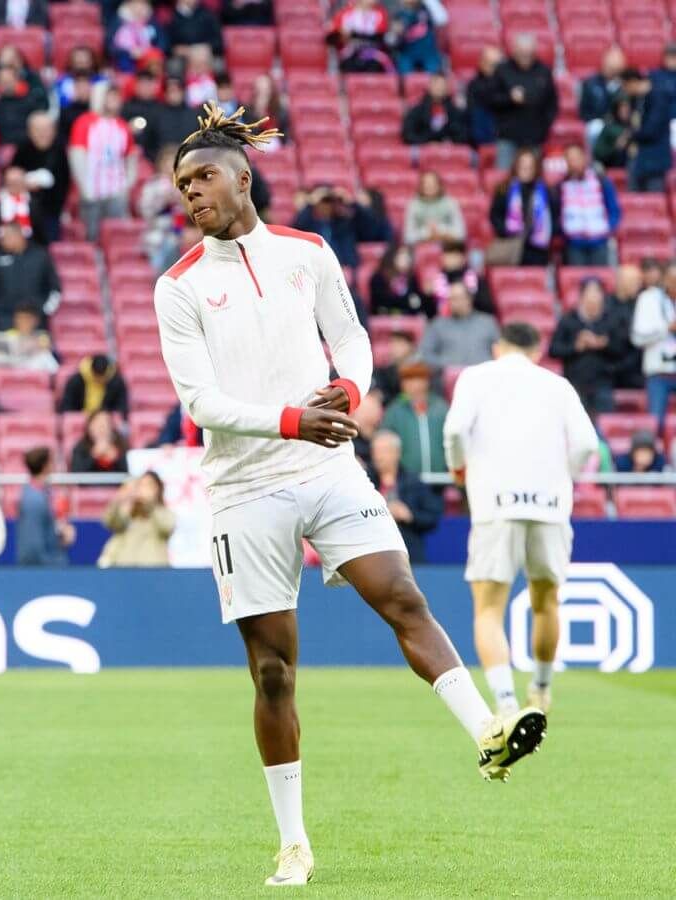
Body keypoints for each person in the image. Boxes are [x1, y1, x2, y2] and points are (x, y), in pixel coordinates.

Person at [153, 104, 541, 887]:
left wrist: (350, 389)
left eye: (203, 178)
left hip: (325, 464)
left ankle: (488, 734)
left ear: (243, 176)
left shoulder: (309, 252)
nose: (191, 194)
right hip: (243, 483)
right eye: (182, 184)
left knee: (400, 597)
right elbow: (200, 403)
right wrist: (296, 417)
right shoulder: (179, 287)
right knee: (273, 672)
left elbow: (353, 334)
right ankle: (293, 841)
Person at [445, 322, 596, 716]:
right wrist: (566, 477)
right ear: (538, 350)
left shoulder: (475, 377)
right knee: (547, 603)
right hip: (549, 507)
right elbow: (586, 443)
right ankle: (541, 691)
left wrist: (458, 467)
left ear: (498, 348)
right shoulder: (557, 385)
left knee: (489, 609)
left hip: (496, 505)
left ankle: (507, 704)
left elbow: (456, 430)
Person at [549, 278, 630, 414]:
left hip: (603, 383)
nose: (593, 299)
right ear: (581, 297)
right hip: (574, 384)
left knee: (604, 425)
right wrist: (576, 347)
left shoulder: (611, 319)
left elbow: (623, 351)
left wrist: (603, 344)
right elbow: (553, 350)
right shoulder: (568, 319)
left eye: (597, 294)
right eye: (589, 295)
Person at [68, 89, 138, 240]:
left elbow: (131, 158)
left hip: (116, 192)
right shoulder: (84, 122)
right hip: (91, 192)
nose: (114, 101)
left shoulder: (122, 126)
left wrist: (126, 185)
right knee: (91, 236)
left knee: (116, 236)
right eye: (110, 96)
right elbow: (77, 155)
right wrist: (85, 188)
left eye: (117, 97)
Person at [366, 430, 441, 562]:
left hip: (409, 555)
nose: (378, 456)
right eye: (375, 451)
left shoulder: (413, 482)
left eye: (384, 451)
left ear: (397, 453)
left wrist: (409, 515)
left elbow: (432, 518)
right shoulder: (365, 481)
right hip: (373, 554)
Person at [489, 34, 558, 170]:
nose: (525, 57)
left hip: (535, 137)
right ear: (514, 51)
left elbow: (552, 103)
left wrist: (544, 126)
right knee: (503, 177)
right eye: (522, 53)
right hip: (507, 136)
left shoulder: (544, 71)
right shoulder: (502, 70)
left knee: (533, 177)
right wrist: (509, 98)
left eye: (528, 54)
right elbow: (491, 99)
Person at [0, 223, 61, 329]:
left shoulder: (40, 256)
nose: (2, 241)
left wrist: (45, 310)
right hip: (3, 320)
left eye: (6, 237)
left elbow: (55, 287)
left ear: (19, 236)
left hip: (35, 320)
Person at [291, 184, 391, 269]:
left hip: (344, 269)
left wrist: (352, 203)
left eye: (330, 201)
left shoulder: (345, 223)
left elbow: (372, 228)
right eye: (323, 201)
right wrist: (310, 203)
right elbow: (296, 228)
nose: (326, 205)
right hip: (318, 269)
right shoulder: (311, 223)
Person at [489, 149, 558, 267]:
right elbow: (495, 215)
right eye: (523, 165)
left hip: (538, 249)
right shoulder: (504, 189)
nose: (526, 169)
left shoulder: (546, 191)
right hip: (511, 244)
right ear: (516, 166)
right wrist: (507, 231)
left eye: (530, 166)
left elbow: (554, 216)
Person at [10, 112, 72, 241]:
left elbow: (65, 182)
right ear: (30, 131)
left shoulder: (60, 151)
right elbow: (11, 178)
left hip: (51, 213)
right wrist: (25, 184)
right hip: (25, 211)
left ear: (54, 131)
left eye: (47, 129)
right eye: (38, 129)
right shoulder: (23, 149)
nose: (43, 133)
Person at [631, 263, 676, 438]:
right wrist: (667, 329)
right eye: (672, 280)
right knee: (655, 424)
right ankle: (654, 463)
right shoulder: (648, 299)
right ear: (663, 279)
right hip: (658, 372)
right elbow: (637, 337)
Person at [382, 360, 449, 474]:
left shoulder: (441, 409)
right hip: (407, 480)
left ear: (427, 381)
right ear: (402, 384)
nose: (414, 384)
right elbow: (384, 441)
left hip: (441, 478)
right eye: (408, 379)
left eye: (419, 378)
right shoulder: (395, 411)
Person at [97, 472, 176, 567]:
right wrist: (121, 498)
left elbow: (167, 527)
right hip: (123, 569)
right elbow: (110, 522)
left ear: (157, 489)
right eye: (140, 485)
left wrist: (150, 502)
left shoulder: (163, 512)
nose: (143, 489)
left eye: (148, 485)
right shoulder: (127, 511)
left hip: (154, 570)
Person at [421, 282, 501, 369]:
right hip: (451, 378)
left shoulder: (487, 322)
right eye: (451, 299)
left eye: (458, 298)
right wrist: (446, 365)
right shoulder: (438, 325)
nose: (454, 303)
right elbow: (425, 354)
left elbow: (501, 349)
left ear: (469, 299)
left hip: (485, 375)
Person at [15, 446, 72, 565]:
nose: (55, 465)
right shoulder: (34, 500)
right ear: (45, 465)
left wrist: (60, 535)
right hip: (43, 569)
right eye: (52, 461)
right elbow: (32, 546)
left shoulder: (44, 493)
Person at [626, 69, 674, 193]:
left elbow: (651, 130)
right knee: (634, 200)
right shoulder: (637, 100)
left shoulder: (658, 97)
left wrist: (630, 136)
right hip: (640, 159)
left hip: (655, 159)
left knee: (654, 196)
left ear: (632, 82)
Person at [423, 239, 495, 317]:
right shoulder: (436, 281)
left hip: (471, 321)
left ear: (463, 258)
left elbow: (488, 308)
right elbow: (429, 314)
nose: (449, 259)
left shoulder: (475, 279)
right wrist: (427, 297)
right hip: (444, 324)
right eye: (446, 255)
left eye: (453, 256)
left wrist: (467, 300)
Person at [401, 73, 470, 146]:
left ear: (447, 89)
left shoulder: (454, 111)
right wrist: (426, 143)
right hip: (424, 151)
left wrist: (449, 141)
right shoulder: (417, 110)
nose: (439, 88)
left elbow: (463, 135)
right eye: (436, 85)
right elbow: (408, 134)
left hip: (448, 151)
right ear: (429, 86)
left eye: (442, 85)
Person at [402, 171, 465, 246]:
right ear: (421, 186)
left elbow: (461, 234)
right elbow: (408, 237)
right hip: (420, 249)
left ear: (439, 185)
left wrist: (440, 231)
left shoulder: (451, 203)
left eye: (433, 183)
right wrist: (427, 233)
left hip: (447, 247)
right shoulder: (413, 205)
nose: (429, 186)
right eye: (426, 183)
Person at [327, 0, 392, 73]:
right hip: (350, 53)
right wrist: (342, 35)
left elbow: (381, 36)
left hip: (373, 53)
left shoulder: (381, 13)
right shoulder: (345, 13)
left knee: (375, 65)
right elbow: (332, 37)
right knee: (349, 65)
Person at [368, 244, 430, 317]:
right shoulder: (379, 277)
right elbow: (379, 302)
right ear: (392, 256)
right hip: (385, 318)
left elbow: (419, 303)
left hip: (407, 319)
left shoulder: (412, 278)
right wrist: (407, 302)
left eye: (408, 256)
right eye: (402, 255)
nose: (407, 259)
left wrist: (428, 295)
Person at [59, 354, 129, 414]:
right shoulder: (76, 380)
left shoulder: (116, 382)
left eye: (101, 378)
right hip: (80, 420)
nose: (99, 381)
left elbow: (121, 407)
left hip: (105, 421)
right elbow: (67, 406)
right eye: (97, 378)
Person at [389, 0, 447, 73]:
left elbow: (442, 19)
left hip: (429, 53)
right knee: (404, 73)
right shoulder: (399, 14)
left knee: (436, 74)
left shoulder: (427, 9)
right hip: (407, 54)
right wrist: (395, 33)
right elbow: (391, 41)